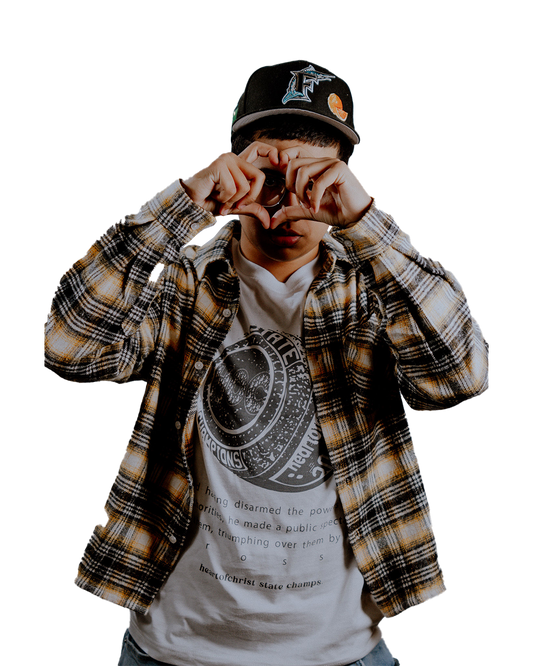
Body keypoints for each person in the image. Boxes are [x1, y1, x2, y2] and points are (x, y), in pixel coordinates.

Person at [42, 58, 490, 666]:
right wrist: (184, 203)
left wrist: (367, 225)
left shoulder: (373, 287)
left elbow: (460, 378)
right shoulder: (183, 280)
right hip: (172, 648)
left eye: (315, 178)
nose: (288, 205)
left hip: (343, 650)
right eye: (270, 175)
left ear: (345, 176)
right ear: (235, 166)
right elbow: (67, 346)